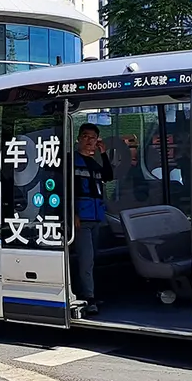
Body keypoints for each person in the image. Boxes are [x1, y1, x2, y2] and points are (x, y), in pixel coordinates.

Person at [71, 122, 113, 315]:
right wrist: (72, 214)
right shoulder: (71, 160)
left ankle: (87, 293)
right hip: (81, 220)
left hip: (96, 218)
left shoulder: (93, 163)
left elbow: (108, 175)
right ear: (79, 138)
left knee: (92, 259)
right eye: (86, 137)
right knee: (86, 260)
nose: (89, 141)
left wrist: (103, 153)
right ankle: (89, 299)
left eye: (93, 138)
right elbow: (64, 189)